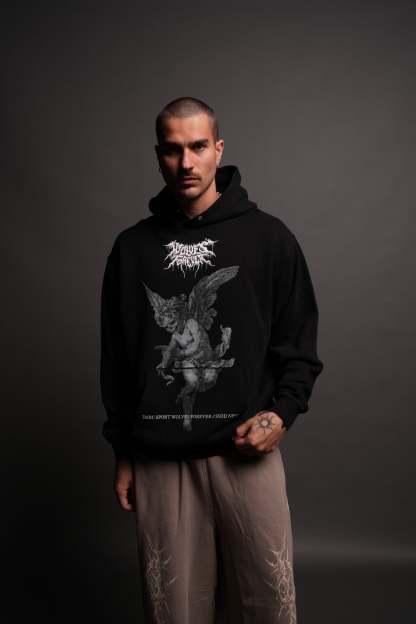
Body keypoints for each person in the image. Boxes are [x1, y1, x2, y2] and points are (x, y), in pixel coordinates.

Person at [99, 96, 324, 624]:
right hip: (159, 458)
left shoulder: (269, 238)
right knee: (173, 610)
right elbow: (118, 358)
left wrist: (281, 415)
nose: (187, 162)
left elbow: (299, 344)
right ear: (158, 156)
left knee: (268, 605)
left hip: (245, 454)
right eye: (173, 150)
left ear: (218, 149)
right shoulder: (132, 249)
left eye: (198, 147)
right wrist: (123, 451)